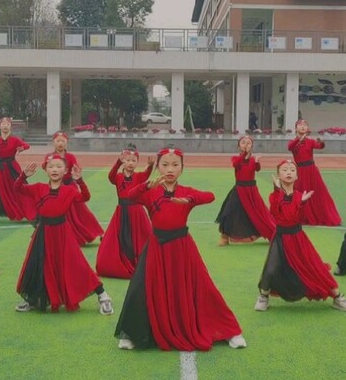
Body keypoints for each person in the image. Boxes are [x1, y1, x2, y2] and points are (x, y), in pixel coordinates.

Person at [115, 146, 246, 351]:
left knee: (203, 287)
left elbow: (210, 196)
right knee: (142, 288)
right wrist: (145, 186)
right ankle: (133, 333)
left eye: (175, 165)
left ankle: (229, 331)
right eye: (165, 164)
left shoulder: (185, 191)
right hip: (156, 247)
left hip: (182, 247)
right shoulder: (151, 192)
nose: (170, 169)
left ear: (182, 168)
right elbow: (128, 197)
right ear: (158, 167)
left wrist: (190, 200)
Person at [14, 154, 114, 315]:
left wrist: (79, 180)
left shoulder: (69, 190)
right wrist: (23, 175)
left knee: (77, 264)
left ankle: (103, 296)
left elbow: (85, 197)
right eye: (51, 166)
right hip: (43, 234)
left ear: (65, 171)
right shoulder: (38, 188)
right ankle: (33, 299)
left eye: (59, 167)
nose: (55, 169)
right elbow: (17, 188)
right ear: (45, 169)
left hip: (63, 233)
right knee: (39, 265)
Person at [254, 159, 346, 312]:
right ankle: (263, 296)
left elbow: (298, 217)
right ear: (279, 175)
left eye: (292, 170)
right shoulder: (275, 195)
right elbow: (274, 212)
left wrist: (302, 203)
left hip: (297, 238)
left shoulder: (300, 196)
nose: (289, 172)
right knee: (271, 268)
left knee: (314, 267)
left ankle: (337, 297)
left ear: (297, 176)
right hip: (280, 237)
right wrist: (276, 190)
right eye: (285, 170)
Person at [95, 144, 154, 279]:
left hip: (136, 212)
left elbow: (146, 175)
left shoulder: (139, 176)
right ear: (123, 162)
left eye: (133, 161)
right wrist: (117, 163)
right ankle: (119, 262)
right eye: (128, 160)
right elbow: (111, 177)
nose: (130, 163)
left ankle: (141, 262)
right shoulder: (119, 177)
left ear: (137, 162)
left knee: (139, 237)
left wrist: (150, 166)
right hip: (121, 211)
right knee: (119, 238)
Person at [216, 135, 275, 246]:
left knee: (259, 213)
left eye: (248, 143)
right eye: (243, 142)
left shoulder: (253, 160)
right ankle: (224, 236)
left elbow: (257, 169)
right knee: (229, 211)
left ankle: (271, 234)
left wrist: (256, 161)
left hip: (251, 190)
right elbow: (236, 164)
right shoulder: (236, 158)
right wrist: (244, 154)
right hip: (239, 189)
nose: (246, 145)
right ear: (238, 146)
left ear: (252, 146)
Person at [49, 131, 103, 245]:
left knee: (81, 210)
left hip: (70, 186)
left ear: (66, 143)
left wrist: (76, 174)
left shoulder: (70, 157)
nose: (60, 143)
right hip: (56, 187)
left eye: (62, 141)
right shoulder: (50, 157)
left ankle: (96, 232)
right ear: (53, 142)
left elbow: (76, 169)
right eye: (58, 141)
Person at [287, 119, 341, 226]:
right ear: (296, 128)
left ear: (307, 129)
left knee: (318, 193)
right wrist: (299, 140)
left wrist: (321, 142)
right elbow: (290, 147)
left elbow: (320, 146)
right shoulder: (293, 142)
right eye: (300, 125)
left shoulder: (310, 141)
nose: (303, 127)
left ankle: (321, 216)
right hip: (300, 171)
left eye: (305, 125)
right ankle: (300, 216)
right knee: (299, 193)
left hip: (311, 170)